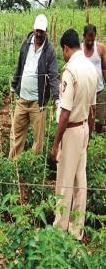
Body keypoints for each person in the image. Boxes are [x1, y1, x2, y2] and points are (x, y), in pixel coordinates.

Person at [51, 29, 97, 240]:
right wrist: (88, 133)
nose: (63, 55)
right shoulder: (90, 67)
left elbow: (65, 112)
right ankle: (76, 229)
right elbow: (92, 109)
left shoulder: (70, 71)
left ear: (66, 48)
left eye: (63, 51)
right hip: (84, 128)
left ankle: (59, 229)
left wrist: (56, 143)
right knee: (81, 182)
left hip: (70, 131)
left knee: (64, 182)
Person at [9, 14, 59, 158]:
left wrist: (56, 99)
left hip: (39, 102)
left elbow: (53, 75)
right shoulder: (26, 44)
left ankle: (34, 166)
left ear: (46, 31)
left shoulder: (49, 50)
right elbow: (19, 66)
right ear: (34, 29)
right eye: (37, 30)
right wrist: (13, 87)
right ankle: (14, 164)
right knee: (16, 133)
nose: (38, 34)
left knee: (38, 138)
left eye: (41, 31)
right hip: (22, 98)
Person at [82, 24, 106, 133]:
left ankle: (98, 143)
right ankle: (88, 140)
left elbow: (104, 68)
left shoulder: (100, 48)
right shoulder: (79, 50)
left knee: (101, 122)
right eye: (88, 40)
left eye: (92, 40)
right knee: (85, 119)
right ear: (84, 36)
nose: (90, 42)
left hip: (99, 90)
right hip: (84, 91)